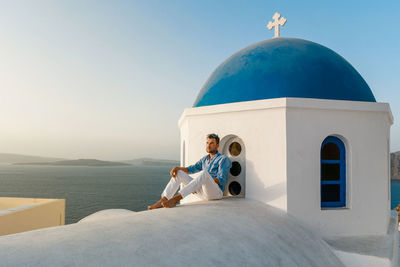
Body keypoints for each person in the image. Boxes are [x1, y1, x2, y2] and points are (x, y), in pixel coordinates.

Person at [148, 133, 232, 209]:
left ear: (217, 145)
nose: (208, 145)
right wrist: (178, 168)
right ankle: (164, 199)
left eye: (211, 143)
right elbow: (190, 169)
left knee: (205, 174)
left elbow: (221, 180)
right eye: (207, 143)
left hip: (216, 193)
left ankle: (176, 199)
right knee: (180, 173)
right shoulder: (204, 159)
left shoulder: (223, 159)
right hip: (203, 193)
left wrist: (199, 182)